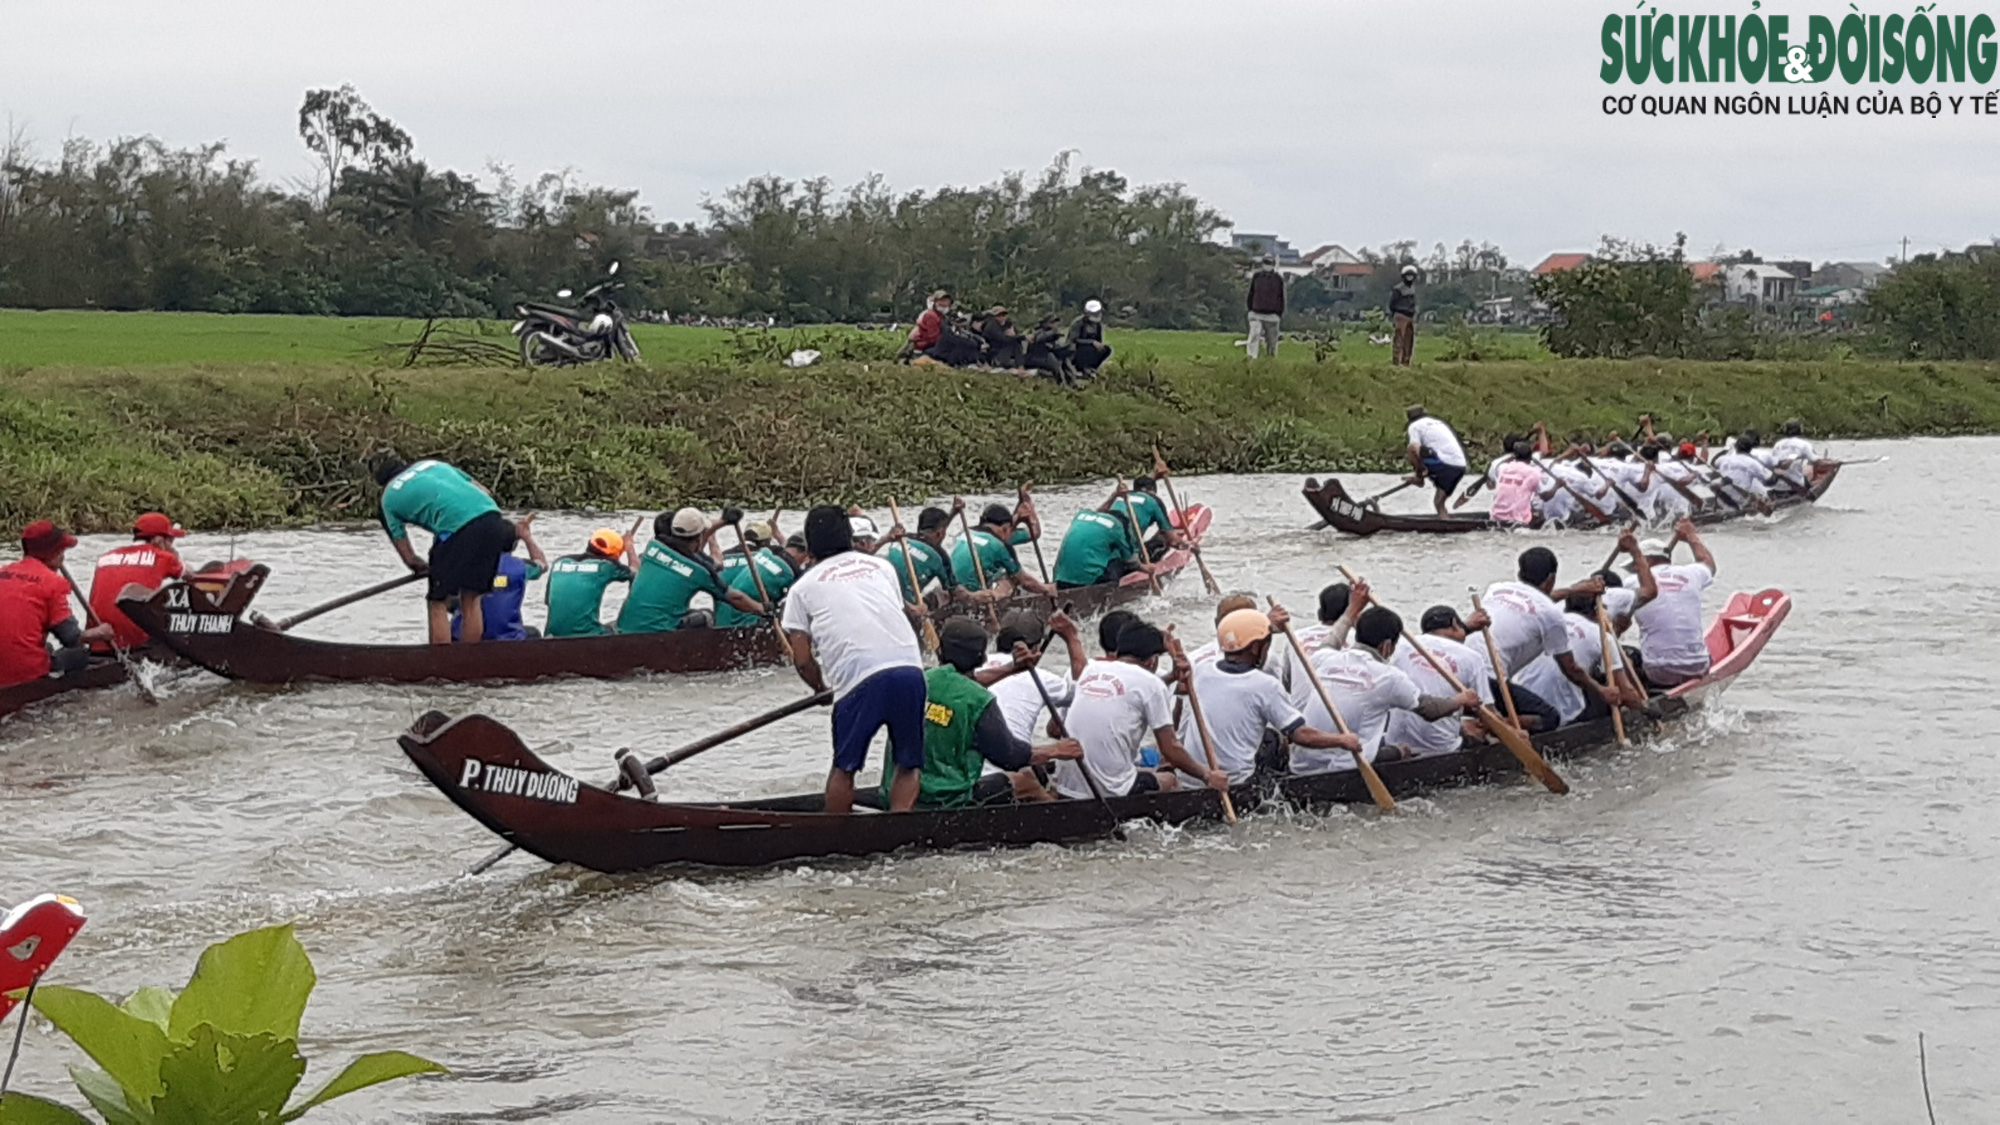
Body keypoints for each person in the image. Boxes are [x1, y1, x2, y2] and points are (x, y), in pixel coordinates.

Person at [783, 506, 930, 814]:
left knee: (845, 767)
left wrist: (819, 687)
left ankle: (835, 838)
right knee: (908, 762)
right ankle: (898, 830)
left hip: (859, 680)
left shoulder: (802, 589)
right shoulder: (882, 567)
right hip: (911, 671)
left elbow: (802, 660)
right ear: (850, 538)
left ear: (809, 547)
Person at [911, 619, 1083, 808]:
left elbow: (967, 681)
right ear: (982, 659)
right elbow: (1010, 757)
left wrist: (1012, 668)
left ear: (939, 651)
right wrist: (1056, 750)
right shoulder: (979, 700)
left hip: (910, 787)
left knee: (1037, 769)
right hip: (948, 798)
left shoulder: (922, 680)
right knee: (1026, 780)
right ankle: (1062, 819)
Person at [1179, 607, 1361, 784]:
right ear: (1256, 648)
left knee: (1269, 738)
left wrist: (1265, 627)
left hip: (1191, 776)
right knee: (1275, 744)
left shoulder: (1201, 670)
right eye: (1267, 644)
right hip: (1233, 781)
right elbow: (1300, 735)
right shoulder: (1265, 685)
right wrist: (1342, 740)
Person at [1051, 621, 1227, 798]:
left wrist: (1172, 675)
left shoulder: (1090, 669)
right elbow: (1170, 749)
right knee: (1169, 780)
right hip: (1112, 791)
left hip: (1068, 787)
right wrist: (1207, 775)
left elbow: (1133, 691)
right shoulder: (1151, 684)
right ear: (1152, 661)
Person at [1292, 607, 1478, 775]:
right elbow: (1430, 711)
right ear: (1387, 646)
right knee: (1402, 750)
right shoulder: (1389, 677)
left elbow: (1330, 642)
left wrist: (1350, 612)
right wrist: (1461, 700)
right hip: (1344, 766)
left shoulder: (1324, 658)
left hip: (1299, 763)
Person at [375, 455, 517, 645]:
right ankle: (468, 661)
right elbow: (484, 490)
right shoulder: (433, 464)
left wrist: (420, 566)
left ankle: (442, 662)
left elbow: (406, 554)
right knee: (471, 597)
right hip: (492, 519)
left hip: (457, 529)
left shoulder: (387, 498)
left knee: (438, 602)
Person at [1481, 546, 1615, 729]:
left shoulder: (1496, 589)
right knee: (1550, 717)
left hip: (1466, 668)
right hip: (1489, 678)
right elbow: (1571, 669)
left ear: (1520, 573)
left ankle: (1491, 723)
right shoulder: (1552, 615)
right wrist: (1601, 691)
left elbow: (1535, 601)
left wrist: (1572, 590)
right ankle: (1491, 725)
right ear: (1551, 578)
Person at [1513, 580, 1648, 727]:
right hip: (1562, 709)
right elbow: (1626, 693)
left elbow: (1540, 597)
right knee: (1609, 697)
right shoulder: (1602, 636)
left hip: (1523, 693)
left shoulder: (1550, 621)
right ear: (1597, 610)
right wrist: (1646, 710)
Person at [616, 507, 768, 634]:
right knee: (707, 616)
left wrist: (723, 521)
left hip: (625, 627)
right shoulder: (700, 571)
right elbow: (735, 598)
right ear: (699, 539)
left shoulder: (653, 547)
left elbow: (695, 542)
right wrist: (763, 609)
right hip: (659, 632)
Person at [0, 522, 112, 688]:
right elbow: (71, 638)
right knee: (78, 653)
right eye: (62, 551)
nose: (63, 557)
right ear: (55, 553)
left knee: (48, 646)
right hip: (25, 673)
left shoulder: (3, 572)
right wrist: (100, 633)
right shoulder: (53, 583)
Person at [1388, 607, 1496, 757]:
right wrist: (1513, 732)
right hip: (1443, 748)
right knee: (1482, 734)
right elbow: (1488, 714)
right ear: (1454, 624)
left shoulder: (1402, 645)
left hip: (1395, 742)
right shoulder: (1472, 657)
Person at [1630, 518, 1719, 688]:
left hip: (1658, 671)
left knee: (1628, 655)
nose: (1635, 568)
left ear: (1646, 561)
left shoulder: (1631, 583)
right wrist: (1692, 536)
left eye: (1636, 564)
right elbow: (1709, 564)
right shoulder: (1691, 573)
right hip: (1697, 665)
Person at [983, 610, 1086, 747]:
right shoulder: (1040, 677)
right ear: (1035, 648)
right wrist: (1071, 638)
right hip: (1010, 762)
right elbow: (1083, 691)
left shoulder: (978, 668)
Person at [87, 511, 187, 650]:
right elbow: (190, 575)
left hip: (99, 640)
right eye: (170, 540)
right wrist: (176, 556)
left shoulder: (105, 557)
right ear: (158, 540)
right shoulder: (164, 557)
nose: (171, 545)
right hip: (135, 642)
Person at [452, 513, 547, 641]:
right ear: (514, 544)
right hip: (508, 637)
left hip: (462, 635)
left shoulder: (464, 564)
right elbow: (542, 564)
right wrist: (526, 537)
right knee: (534, 633)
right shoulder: (521, 567)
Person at [545, 527, 636, 638]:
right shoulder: (605, 566)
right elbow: (637, 573)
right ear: (614, 556)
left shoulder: (559, 562)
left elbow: (549, 603)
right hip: (587, 635)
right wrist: (629, 546)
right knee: (619, 628)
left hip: (552, 634)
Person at [951, 502, 1052, 599]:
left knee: (998, 573)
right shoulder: (998, 545)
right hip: (973, 593)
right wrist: (1047, 589)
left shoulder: (964, 533)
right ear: (1005, 528)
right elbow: (1025, 581)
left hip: (954, 588)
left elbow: (1032, 533)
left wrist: (1017, 516)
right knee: (1008, 581)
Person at [716, 520, 798, 630]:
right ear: (766, 542)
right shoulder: (768, 556)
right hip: (752, 622)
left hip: (720, 620)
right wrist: (778, 536)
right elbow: (793, 558)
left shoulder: (723, 557)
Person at [880, 504, 961, 608]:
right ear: (940, 533)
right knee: (946, 596)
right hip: (904, 604)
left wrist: (953, 512)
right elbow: (955, 593)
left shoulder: (902, 538)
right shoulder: (940, 557)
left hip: (883, 592)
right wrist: (980, 596)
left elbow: (937, 531)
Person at [1404, 405, 1469, 516]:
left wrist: (1420, 471)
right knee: (1438, 503)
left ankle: (1419, 478)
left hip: (1445, 465)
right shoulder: (1437, 423)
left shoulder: (1414, 426)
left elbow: (1414, 447)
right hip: (1460, 466)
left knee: (1411, 448)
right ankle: (1445, 524)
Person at [1713, 435, 1778, 513]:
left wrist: (1727, 450)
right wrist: (1776, 473)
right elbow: (1770, 481)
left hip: (1722, 496)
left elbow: (1714, 463)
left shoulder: (1723, 459)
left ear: (1736, 447)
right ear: (1751, 449)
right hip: (1740, 499)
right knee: (1767, 498)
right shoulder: (1752, 462)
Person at [1486, 441, 1545, 526]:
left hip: (1495, 517)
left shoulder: (1502, 468)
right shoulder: (1534, 473)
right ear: (1530, 457)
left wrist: (1512, 456)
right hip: (1518, 521)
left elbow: (1503, 463)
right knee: (1540, 513)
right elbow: (1545, 496)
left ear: (1514, 456)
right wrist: (1558, 485)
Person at [1246, 258, 1285, 359]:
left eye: (1270, 264)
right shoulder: (1257, 277)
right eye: (1266, 263)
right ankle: (1252, 358)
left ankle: (1270, 361)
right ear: (1262, 264)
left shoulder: (1278, 279)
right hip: (1256, 313)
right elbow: (1251, 293)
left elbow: (1281, 297)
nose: (1267, 265)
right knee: (1254, 336)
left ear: (1273, 265)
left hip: (1272, 315)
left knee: (1272, 341)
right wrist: (1250, 309)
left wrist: (1279, 313)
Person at [1024, 314, 1076, 385]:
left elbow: (1055, 347)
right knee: (1053, 360)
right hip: (1036, 357)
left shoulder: (1052, 333)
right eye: (1052, 323)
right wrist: (1053, 333)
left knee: (1065, 359)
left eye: (1055, 323)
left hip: (1045, 356)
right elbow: (1039, 338)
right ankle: (1061, 383)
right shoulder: (1039, 331)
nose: (1055, 325)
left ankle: (1071, 382)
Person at [1767, 419, 1818, 490]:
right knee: (1810, 463)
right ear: (1800, 430)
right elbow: (1816, 460)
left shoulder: (1778, 444)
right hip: (1797, 484)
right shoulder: (1804, 444)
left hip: (1777, 485)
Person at [1067, 299, 1112, 377]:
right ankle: (1082, 368)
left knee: (1106, 349)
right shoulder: (1078, 323)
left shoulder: (1098, 325)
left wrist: (1099, 345)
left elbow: (1099, 340)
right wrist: (1091, 342)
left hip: (1090, 350)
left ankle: (1092, 368)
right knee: (1086, 348)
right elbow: (1074, 340)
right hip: (1076, 350)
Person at [1389, 264, 1419, 366]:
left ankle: (1406, 362)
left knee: (1409, 341)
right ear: (1404, 276)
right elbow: (1392, 304)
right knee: (1399, 340)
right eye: (1408, 275)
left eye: (1411, 276)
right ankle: (1397, 362)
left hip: (1410, 316)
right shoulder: (1398, 289)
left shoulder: (1412, 289)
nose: (1410, 278)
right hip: (1400, 315)